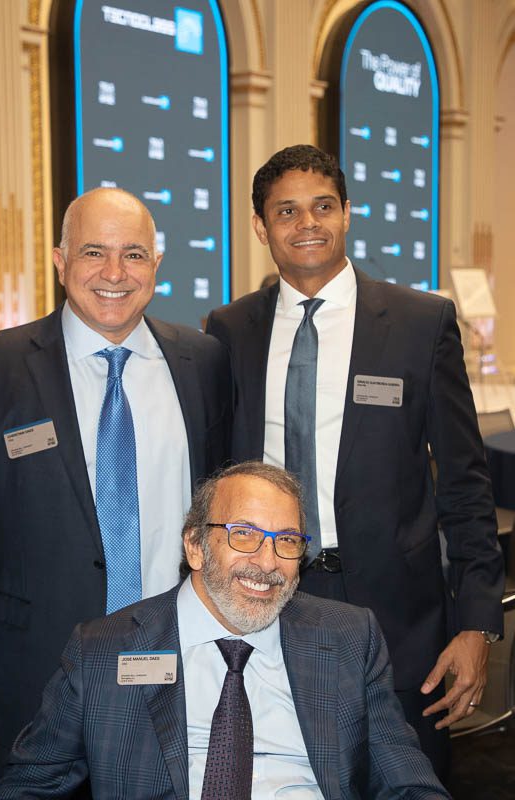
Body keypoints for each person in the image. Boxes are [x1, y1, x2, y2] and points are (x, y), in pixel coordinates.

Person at [0, 187, 232, 780]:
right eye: (93, 252)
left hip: (185, 668)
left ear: (156, 265)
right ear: (60, 261)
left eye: (134, 254)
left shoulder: (204, 362)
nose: (114, 273)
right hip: (39, 671)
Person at [205, 144, 504, 778]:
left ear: (347, 213)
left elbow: (465, 483)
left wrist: (478, 623)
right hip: (269, 601)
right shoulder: (231, 330)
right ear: (260, 226)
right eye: (286, 211)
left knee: (406, 781)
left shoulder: (421, 323)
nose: (306, 223)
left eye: (322, 207)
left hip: (400, 621)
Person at [0, 461, 450, 799]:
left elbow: (406, 782)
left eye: (287, 541)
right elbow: (28, 787)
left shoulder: (348, 638)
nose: (267, 562)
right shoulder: (103, 651)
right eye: (243, 534)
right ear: (195, 545)